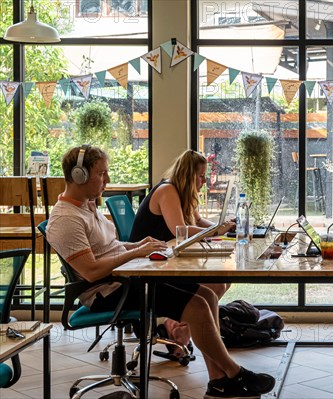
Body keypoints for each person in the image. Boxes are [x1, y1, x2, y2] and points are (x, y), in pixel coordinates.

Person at [46, 146, 275, 399]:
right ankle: (235, 373)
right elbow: (90, 271)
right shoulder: (66, 219)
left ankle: (218, 381)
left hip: (125, 278)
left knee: (207, 297)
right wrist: (134, 254)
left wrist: (138, 246)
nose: (107, 179)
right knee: (198, 306)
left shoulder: (87, 207)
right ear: (79, 175)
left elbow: (108, 248)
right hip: (107, 291)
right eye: (102, 173)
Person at [129, 149, 234, 357]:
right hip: (148, 267)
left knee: (223, 280)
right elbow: (181, 231)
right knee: (217, 283)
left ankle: (177, 328)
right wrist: (215, 231)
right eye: (201, 176)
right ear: (188, 175)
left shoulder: (183, 193)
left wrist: (224, 227)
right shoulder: (167, 191)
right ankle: (177, 329)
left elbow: (198, 222)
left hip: (166, 259)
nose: (204, 181)